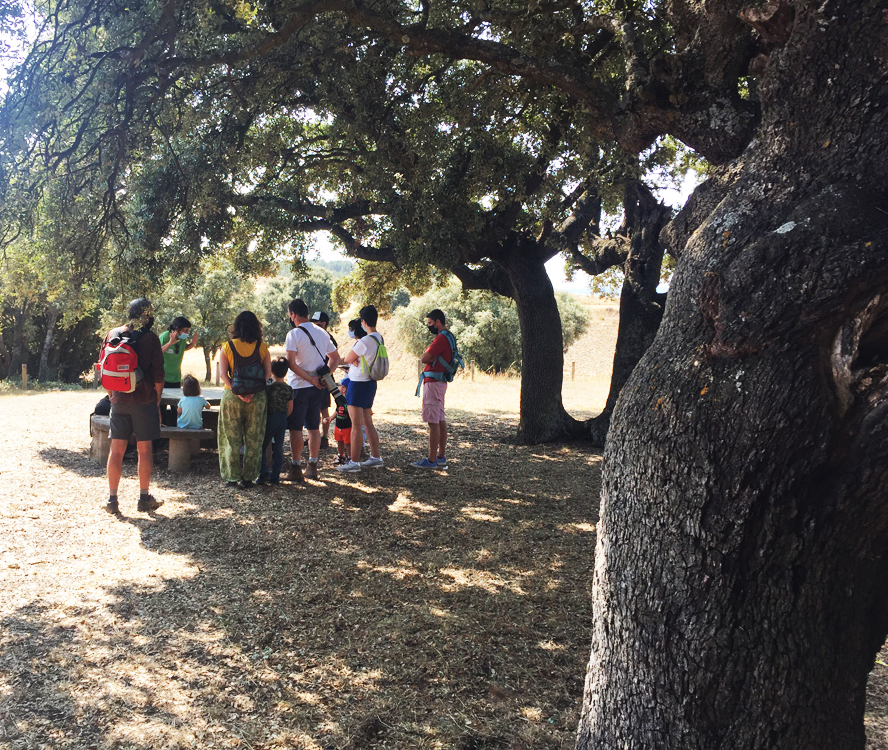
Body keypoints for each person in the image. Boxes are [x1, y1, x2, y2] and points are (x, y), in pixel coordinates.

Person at [103, 297, 165, 514]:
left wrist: (112, 395)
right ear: (146, 315)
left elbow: (104, 367)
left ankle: (112, 500)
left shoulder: (112, 334)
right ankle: (144, 497)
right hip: (144, 399)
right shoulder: (151, 338)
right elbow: (158, 375)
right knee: (144, 449)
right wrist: (156, 401)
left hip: (118, 399)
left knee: (116, 449)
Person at [284, 299, 341, 482]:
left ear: (293, 314)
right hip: (318, 388)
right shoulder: (322, 333)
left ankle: (295, 467)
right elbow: (335, 358)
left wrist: (309, 378)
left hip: (298, 388)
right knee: (313, 428)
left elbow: (291, 364)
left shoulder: (293, 334)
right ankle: (313, 466)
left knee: (295, 429)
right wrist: (324, 377)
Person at [218, 311, 272, 489]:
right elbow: (267, 375)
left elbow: (223, 375)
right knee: (254, 438)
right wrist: (253, 392)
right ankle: (248, 478)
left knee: (230, 437)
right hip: (257, 398)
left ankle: (231, 477)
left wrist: (237, 391)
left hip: (232, 397)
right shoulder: (263, 347)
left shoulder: (227, 347)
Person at [337, 305, 384, 473]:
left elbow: (348, 358)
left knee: (356, 425)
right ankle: (376, 457)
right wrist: (355, 360)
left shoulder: (364, 341)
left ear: (363, 322)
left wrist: (353, 360)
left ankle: (354, 462)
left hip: (357, 384)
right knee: (368, 423)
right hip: (370, 383)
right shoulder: (379, 338)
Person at [413, 308, 452, 469]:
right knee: (440, 419)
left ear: (437, 322)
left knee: (433, 421)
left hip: (433, 383)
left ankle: (431, 460)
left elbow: (424, 358)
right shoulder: (448, 337)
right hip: (440, 383)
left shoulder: (440, 339)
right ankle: (440, 456)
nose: (429, 326)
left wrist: (428, 355)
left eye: (430, 323)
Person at [259, 357, 293, 485]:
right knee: (278, 447)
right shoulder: (288, 389)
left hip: (270, 417)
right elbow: (290, 408)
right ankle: (275, 476)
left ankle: (263, 474)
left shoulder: (269, 388)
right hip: (282, 418)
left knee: (262, 446)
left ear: (272, 371)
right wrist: (284, 416)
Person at [158, 316, 198, 425]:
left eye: (188, 330)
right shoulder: (165, 337)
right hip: (163, 377)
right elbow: (157, 352)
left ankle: (175, 427)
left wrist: (193, 343)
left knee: (176, 407)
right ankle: (161, 431)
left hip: (175, 377)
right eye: (185, 330)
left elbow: (183, 348)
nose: (187, 333)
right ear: (177, 329)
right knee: (161, 406)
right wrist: (170, 343)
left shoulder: (182, 338)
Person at [311, 311, 337, 449]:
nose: (314, 325)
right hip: (315, 377)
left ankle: (324, 438)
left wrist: (325, 376)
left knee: (323, 409)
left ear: (324, 323)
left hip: (324, 378)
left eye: (317, 322)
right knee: (315, 409)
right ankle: (314, 436)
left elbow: (334, 359)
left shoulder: (328, 338)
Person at [333, 377, 352, 465]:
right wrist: (330, 418)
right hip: (338, 425)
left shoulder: (349, 401)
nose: (338, 388)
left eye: (339, 386)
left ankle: (350, 457)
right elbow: (337, 410)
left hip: (347, 426)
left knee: (348, 443)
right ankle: (340, 455)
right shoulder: (338, 399)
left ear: (344, 389)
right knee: (339, 441)